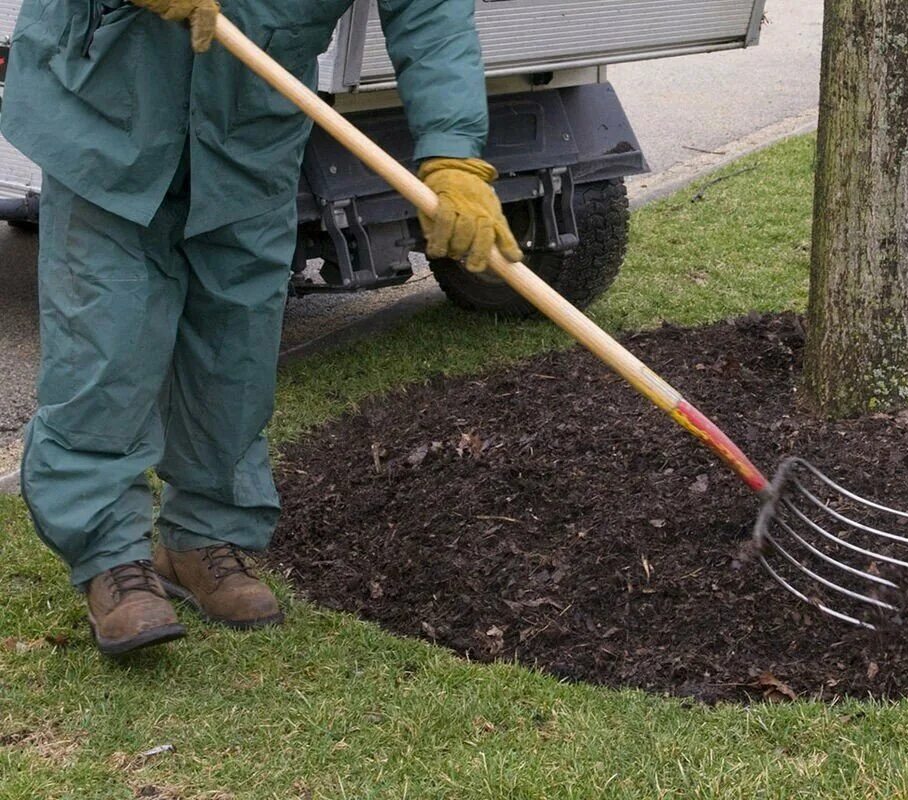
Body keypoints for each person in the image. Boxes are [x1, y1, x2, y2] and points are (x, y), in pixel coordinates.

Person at [1, 0, 523, 655]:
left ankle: (202, 542)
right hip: (109, 109)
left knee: (235, 351)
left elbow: (430, 15)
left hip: (247, 130)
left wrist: (452, 154)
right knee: (107, 346)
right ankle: (110, 557)